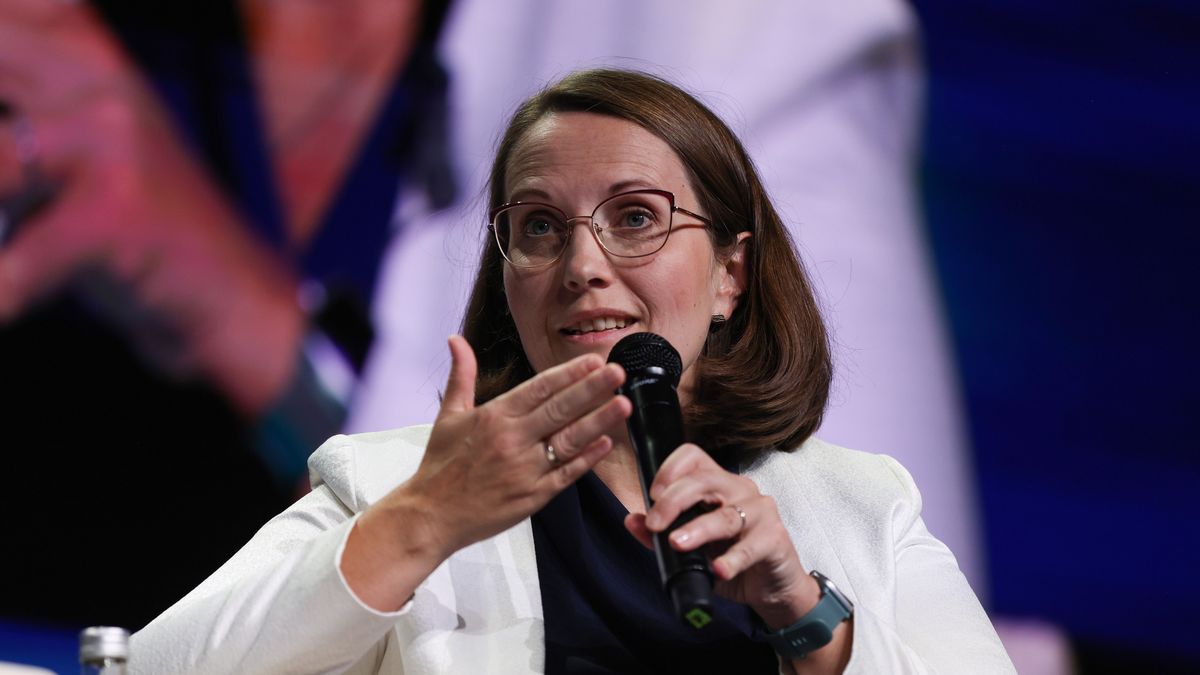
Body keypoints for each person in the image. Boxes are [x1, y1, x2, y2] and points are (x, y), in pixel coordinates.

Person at [131, 69, 1014, 674]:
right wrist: (424, 521)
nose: (583, 263)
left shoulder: (864, 504)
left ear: (729, 275)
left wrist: (806, 613)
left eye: (635, 217)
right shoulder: (392, 485)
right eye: (542, 227)